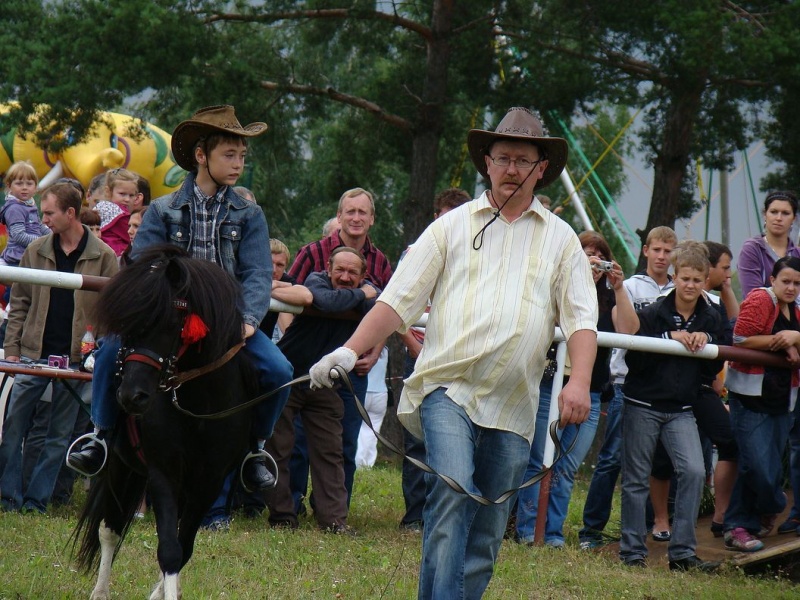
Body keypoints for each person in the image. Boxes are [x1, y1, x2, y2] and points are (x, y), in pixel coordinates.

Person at [309, 107, 598, 599]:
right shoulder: (449, 228)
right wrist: (346, 350)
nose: (512, 169)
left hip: (515, 402)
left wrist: (579, 381)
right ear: (486, 162)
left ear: (541, 168)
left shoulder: (563, 240)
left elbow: (581, 320)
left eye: (523, 160)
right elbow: (397, 298)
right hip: (448, 388)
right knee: (453, 489)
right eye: (503, 157)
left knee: (488, 525)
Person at [67, 105, 293, 492]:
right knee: (107, 354)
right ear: (202, 156)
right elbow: (141, 266)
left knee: (280, 372)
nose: (238, 164)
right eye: (229, 155)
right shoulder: (162, 209)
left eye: (242, 156)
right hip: (164, 317)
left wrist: (250, 321)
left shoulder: (250, 214)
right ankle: (100, 436)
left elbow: (257, 273)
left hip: (226, 322)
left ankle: (253, 450)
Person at [0, 182, 118, 513]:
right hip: (30, 357)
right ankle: (8, 500)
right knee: (12, 430)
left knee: (58, 438)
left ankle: (36, 503)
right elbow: (18, 301)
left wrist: (95, 355)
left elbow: (112, 315)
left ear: (70, 213)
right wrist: (12, 351)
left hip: (77, 361)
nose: (43, 218)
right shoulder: (35, 249)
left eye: (48, 212)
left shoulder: (105, 256)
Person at [515, 230, 638, 548]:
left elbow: (630, 330)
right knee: (538, 460)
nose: (593, 259)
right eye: (586, 252)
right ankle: (528, 529)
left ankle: (553, 533)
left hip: (593, 392)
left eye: (599, 254)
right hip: (549, 386)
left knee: (566, 467)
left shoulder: (610, 297)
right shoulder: (559, 287)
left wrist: (620, 287)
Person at [619, 241, 724, 571]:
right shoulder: (652, 313)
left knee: (693, 471)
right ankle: (632, 553)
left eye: (697, 280)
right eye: (685, 279)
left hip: (681, 408)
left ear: (706, 281)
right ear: (675, 278)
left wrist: (706, 342)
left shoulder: (711, 316)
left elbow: (711, 370)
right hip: (642, 403)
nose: (690, 286)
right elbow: (635, 359)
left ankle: (682, 554)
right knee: (636, 478)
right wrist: (670, 338)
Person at [288, 187, 393, 508]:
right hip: (308, 363)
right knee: (299, 441)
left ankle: (335, 509)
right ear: (339, 216)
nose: (356, 218)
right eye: (350, 212)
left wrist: (374, 353)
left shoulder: (380, 262)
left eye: (363, 212)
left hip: (353, 367)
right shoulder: (312, 253)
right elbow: (288, 300)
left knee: (345, 441)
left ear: (372, 219)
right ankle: (291, 504)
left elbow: (390, 310)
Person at [578, 226, 677, 548]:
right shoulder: (629, 286)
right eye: (657, 250)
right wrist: (618, 287)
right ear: (645, 251)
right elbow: (626, 331)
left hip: (667, 387)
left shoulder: (683, 289)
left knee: (658, 462)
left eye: (668, 251)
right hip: (625, 381)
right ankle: (591, 530)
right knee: (612, 460)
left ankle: (647, 525)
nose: (662, 257)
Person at [267, 247, 378, 532]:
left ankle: (333, 521)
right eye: (339, 270)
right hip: (289, 375)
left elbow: (376, 307)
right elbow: (325, 302)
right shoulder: (316, 280)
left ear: (363, 275)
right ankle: (282, 517)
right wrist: (360, 295)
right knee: (280, 447)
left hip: (326, 382)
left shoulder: (370, 292)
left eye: (353, 272)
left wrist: (363, 296)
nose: (344, 276)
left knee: (332, 451)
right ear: (328, 269)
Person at [398, 187, 472, 532]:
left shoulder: (476, 256)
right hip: (423, 352)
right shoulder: (416, 251)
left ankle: (447, 515)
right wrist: (418, 351)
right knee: (418, 436)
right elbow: (397, 307)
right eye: (447, 215)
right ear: (435, 216)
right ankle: (416, 515)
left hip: (463, 358)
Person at [722, 256, 800, 551]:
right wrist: (784, 341)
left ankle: (741, 525)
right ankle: (771, 506)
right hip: (750, 397)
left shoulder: (796, 311)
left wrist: (795, 338)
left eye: (796, 283)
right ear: (772, 280)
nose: (791, 288)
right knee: (758, 466)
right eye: (786, 281)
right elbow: (740, 338)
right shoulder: (760, 299)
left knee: (765, 467)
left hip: (783, 397)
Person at [738, 191, 800, 298]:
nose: (779, 218)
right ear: (765, 214)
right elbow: (753, 296)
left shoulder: (797, 253)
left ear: (793, 218)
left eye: (785, 213)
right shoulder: (753, 249)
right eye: (774, 212)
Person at [0, 160, 50, 269]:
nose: (24, 187)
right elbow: (19, 235)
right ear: (9, 186)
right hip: (18, 259)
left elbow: (39, 226)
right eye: (19, 183)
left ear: (35, 186)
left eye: (29, 183)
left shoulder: (29, 205)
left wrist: (53, 235)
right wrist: (42, 241)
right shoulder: (14, 208)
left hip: (31, 255)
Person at [94, 167, 137, 256]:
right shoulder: (122, 215)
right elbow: (131, 237)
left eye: (131, 195)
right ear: (108, 191)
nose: (127, 199)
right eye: (122, 194)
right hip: (116, 253)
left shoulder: (99, 207)